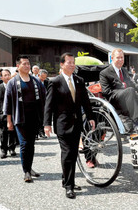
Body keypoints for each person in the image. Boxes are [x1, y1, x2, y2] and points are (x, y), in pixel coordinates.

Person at [44, 52, 95, 199]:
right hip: (62, 124)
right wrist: (47, 124)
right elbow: (49, 105)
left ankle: (66, 180)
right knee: (67, 153)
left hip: (77, 122)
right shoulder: (55, 82)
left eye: (73, 62)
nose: (72, 65)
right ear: (61, 64)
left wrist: (90, 117)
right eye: (69, 62)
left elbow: (85, 101)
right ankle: (69, 186)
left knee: (72, 154)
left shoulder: (79, 80)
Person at [99, 48, 138, 132]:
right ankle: (136, 121)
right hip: (117, 101)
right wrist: (123, 89)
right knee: (129, 90)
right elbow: (106, 92)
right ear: (112, 58)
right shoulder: (105, 73)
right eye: (118, 58)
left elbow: (133, 85)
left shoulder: (124, 71)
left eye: (122, 57)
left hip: (131, 97)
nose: (120, 60)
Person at [3, 55, 45, 182]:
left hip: (34, 117)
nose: (27, 66)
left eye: (28, 64)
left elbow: (44, 97)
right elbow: (8, 103)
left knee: (31, 144)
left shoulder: (36, 81)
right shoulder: (12, 82)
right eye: (24, 64)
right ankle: (26, 171)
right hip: (20, 118)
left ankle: (29, 167)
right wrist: (9, 121)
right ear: (18, 66)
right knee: (24, 144)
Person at [0, 69, 17, 159]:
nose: (7, 77)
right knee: (3, 133)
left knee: (12, 132)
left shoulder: (14, 86)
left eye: (8, 75)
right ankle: (4, 150)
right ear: (1, 77)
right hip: (2, 114)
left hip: (14, 113)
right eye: (5, 75)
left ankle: (12, 148)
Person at [36, 69, 48, 139]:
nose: (43, 79)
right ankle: (35, 134)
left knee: (42, 118)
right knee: (36, 119)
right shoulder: (34, 82)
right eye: (42, 77)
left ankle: (42, 132)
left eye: (45, 77)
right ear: (38, 75)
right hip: (36, 103)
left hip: (44, 103)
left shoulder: (47, 82)